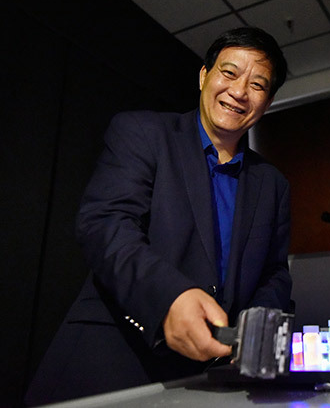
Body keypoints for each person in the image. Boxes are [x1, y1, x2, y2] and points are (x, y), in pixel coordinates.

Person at [25, 27, 292, 405]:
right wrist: (169, 298)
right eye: (229, 73)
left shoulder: (273, 183)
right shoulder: (143, 133)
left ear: (268, 100)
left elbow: (275, 272)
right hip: (111, 362)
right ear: (204, 76)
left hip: (211, 376)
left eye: (258, 84)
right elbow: (106, 224)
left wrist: (256, 332)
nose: (238, 91)